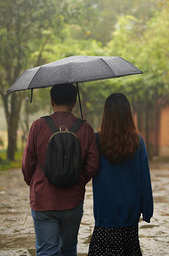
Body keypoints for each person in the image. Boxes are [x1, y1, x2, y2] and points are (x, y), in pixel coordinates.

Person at [22, 83, 99, 256]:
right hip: (72, 200)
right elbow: (93, 164)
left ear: (51, 101)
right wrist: (77, 180)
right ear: (73, 102)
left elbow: (27, 164)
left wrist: (35, 183)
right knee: (69, 249)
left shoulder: (38, 126)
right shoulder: (85, 128)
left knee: (46, 251)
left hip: (43, 199)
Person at [88, 93, 154, 256]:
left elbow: (87, 170)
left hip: (105, 210)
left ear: (106, 114)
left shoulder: (96, 140)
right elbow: (144, 178)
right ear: (127, 113)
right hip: (130, 211)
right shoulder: (137, 141)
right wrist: (147, 210)